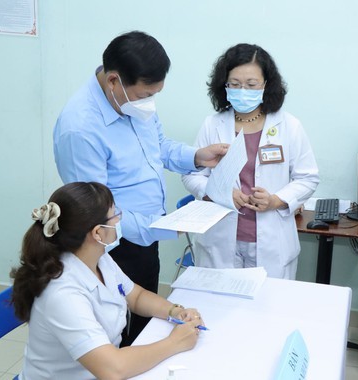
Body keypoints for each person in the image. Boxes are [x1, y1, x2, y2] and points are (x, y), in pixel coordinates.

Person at [53, 31, 227, 345]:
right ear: (113, 81)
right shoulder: (80, 128)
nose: (150, 101)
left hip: (146, 236)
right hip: (110, 246)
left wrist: (195, 156)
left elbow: (158, 146)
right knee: (115, 334)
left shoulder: (134, 102)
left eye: (154, 93)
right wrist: (163, 227)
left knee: (144, 325)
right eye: (145, 93)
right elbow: (94, 213)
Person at [11, 182, 204, 379]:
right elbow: (112, 369)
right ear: (97, 233)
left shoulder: (98, 258)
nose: (119, 219)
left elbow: (135, 296)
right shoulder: (63, 294)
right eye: (115, 215)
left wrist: (175, 311)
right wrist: (175, 342)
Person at [182, 43, 319, 279]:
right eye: (234, 84)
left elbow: (307, 177)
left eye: (251, 84)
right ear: (224, 85)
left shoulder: (288, 126)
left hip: (271, 240)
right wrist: (216, 192)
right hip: (220, 237)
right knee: (220, 308)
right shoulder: (212, 125)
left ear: (266, 84)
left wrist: (277, 200)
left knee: (268, 310)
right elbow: (192, 174)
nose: (242, 90)